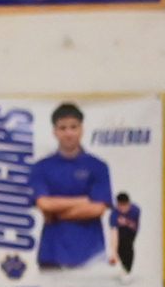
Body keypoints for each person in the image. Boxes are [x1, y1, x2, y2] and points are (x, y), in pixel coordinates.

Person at [33, 104, 113, 270]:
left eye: (73, 127)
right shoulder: (41, 167)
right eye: (62, 128)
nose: (68, 133)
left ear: (81, 130)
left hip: (91, 255)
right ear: (55, 132)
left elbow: (98, 209)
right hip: (52, 254)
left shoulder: (98, 166)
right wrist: (84, 201)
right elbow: (44, 204)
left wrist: (56, 214)